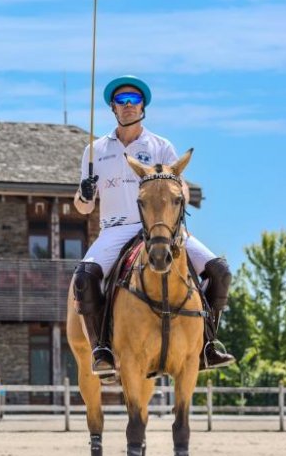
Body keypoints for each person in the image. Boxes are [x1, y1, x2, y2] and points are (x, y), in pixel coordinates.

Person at [72, 76, 234, 381]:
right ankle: (102, 350)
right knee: (84, 277)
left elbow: (181, 187)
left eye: (134, 99)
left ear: (143, 106)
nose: (129, 106)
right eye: (122, 101)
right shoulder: (94, 151)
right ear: (113, 108)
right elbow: (84, 207)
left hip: (162, 228)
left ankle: (208, 343)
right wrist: (83, 192)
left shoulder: (161, 146)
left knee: (220, 271)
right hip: (115, 230)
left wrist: (176, 197)